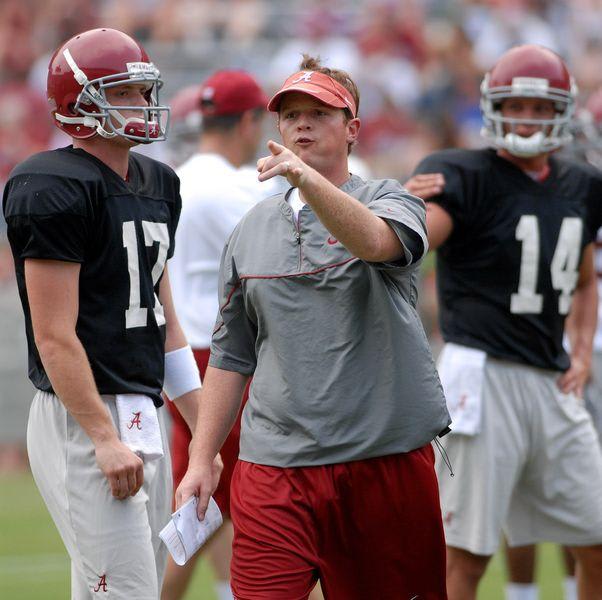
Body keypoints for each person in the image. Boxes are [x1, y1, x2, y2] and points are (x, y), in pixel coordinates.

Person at [176, 55, 451, 600]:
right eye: (290, 114)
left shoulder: (392, 200)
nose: (301, 123)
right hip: (274, 468)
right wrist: (203, 456)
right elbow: (232, 355)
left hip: (380, 460)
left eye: (319, 112)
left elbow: (375, 243)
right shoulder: (250, 229)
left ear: (351, 129)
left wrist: (306, 178)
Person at [2, 28, 219, 598]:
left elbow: (165, 323)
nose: (143, 106)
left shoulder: (159, 182)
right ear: (80, 104)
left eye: (143, 91)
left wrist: (201, 435)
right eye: (124, 93)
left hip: (146, 408)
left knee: (119, 588)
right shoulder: (50, 183)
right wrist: (101, 434)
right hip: (84, 411)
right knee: (124, 591)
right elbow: (53, 335)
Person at [405, 44, 602, 600]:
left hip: (552, 376)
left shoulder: (582, 185)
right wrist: (399, 213)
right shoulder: (461, 173)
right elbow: (409, 247)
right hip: (482, 375)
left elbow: (586, 280)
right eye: (517, 104)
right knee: (465, 554)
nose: (529, 118)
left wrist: (582, 351)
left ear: (562, 112)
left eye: (542, 108)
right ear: (494, 105)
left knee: (595, 536)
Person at [161, 69, 269, 600]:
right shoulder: (237, 189)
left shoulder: (172, 180)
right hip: (226, 358)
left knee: (212, 500)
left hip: (182, 358)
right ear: (249, 121)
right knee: (244, 497)